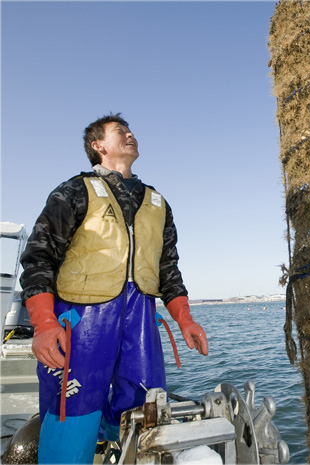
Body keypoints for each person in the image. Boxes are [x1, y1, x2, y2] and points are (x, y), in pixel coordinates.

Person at [20, 113, 208, 464]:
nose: (131, 134)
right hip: (81, 320)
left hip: (140, 320)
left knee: (145, 408)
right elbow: (39, 258)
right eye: (121, 131)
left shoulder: (158, 203)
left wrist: (185, 320)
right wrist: (44, 323)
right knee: (72, 412)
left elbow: (168, 269)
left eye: (131, 130)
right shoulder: (74, 191)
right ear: (98, 146)